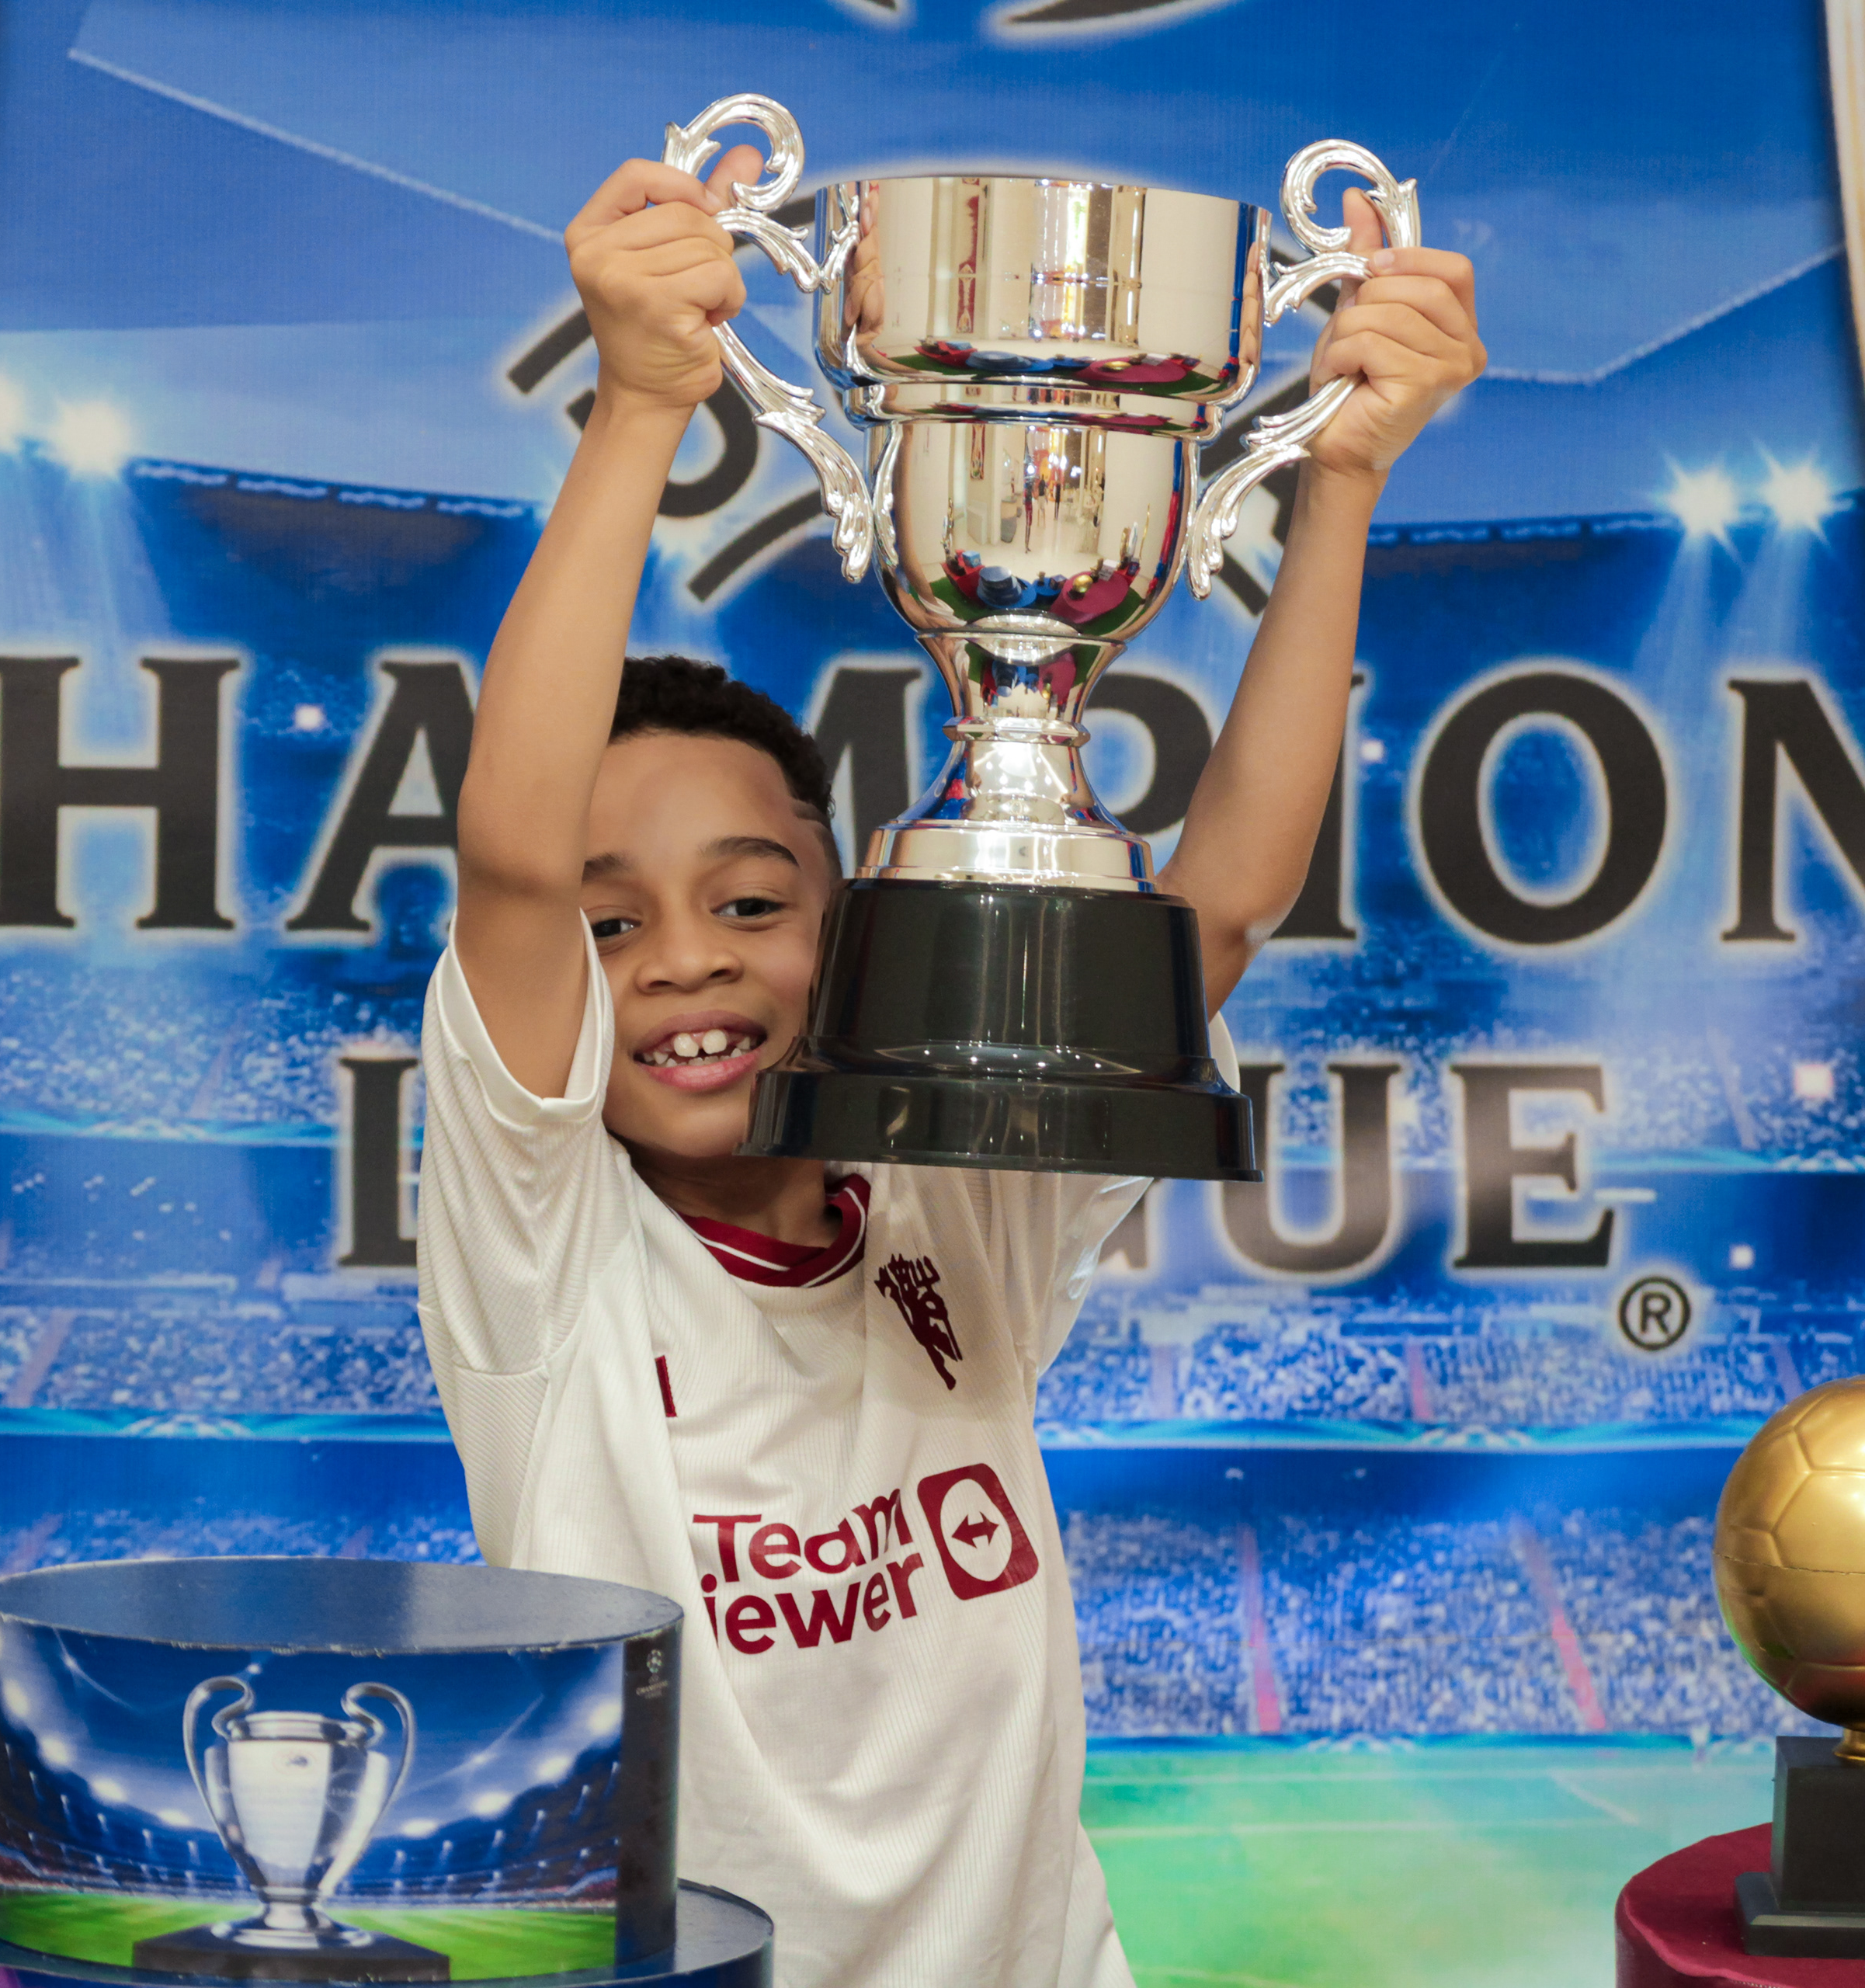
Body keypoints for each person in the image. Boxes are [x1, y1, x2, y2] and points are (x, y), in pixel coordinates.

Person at [415, 139, 1484, 1988]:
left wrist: (1344, 483)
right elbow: (511, 856)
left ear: (852, 924)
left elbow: (1211, 912)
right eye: (614, 926)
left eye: (750, 900)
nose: (680, 957)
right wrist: (643, 407)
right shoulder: (549, 1265)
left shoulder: (947, 1209)